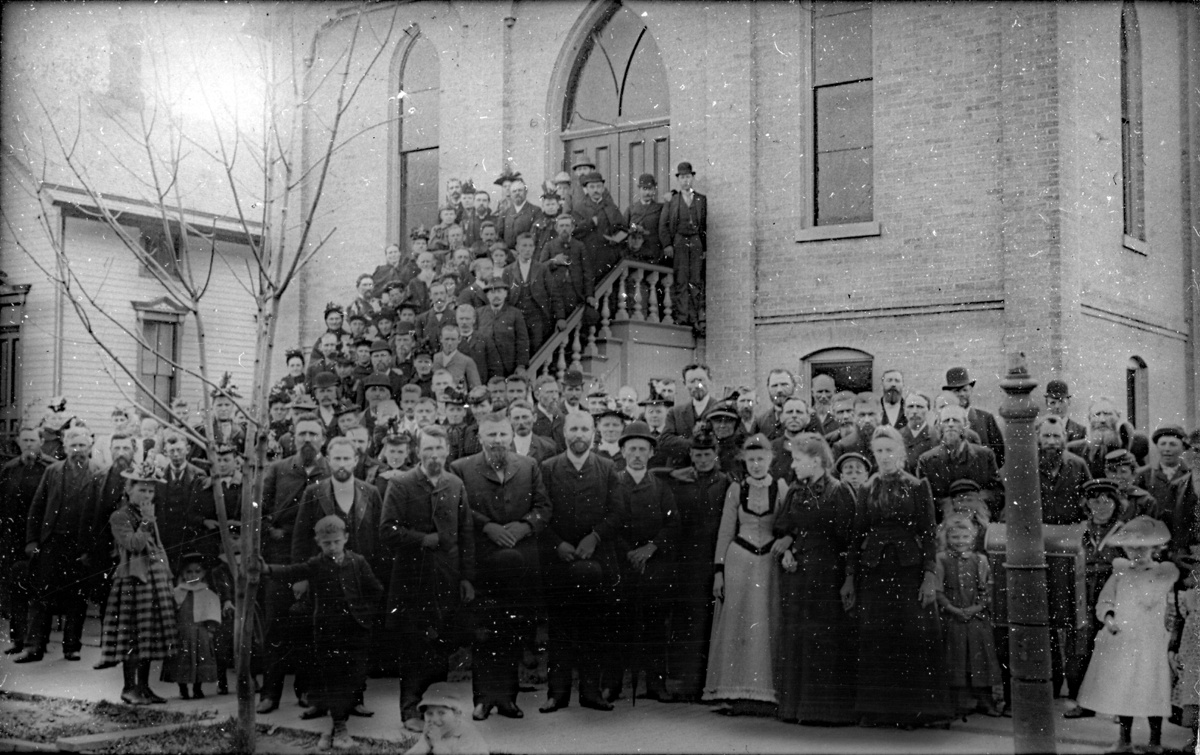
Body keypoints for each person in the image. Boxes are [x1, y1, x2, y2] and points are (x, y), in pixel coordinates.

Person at [848, 425, 952, 727]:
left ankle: (913, 711)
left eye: (889, 450)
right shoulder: (867, 488)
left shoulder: (918, 485)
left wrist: (930, 576)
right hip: (876, 571)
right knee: (877, 639)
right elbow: (857, 535)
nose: (884, 457)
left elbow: (929, 534)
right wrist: (851, 577)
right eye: (879, 451)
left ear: (901, 453)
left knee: (911, 638)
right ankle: (879, 710)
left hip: (909, 570)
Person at [449, 413, 550, 721]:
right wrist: (489, 527)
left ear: (511, 436)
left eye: (502, 435)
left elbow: (543, 508)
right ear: (480, 438)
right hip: (482, 565)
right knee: (485, 631)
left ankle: (507, 699)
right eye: (490, 435)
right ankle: (482, 700)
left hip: (521, 566)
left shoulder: (529, 466)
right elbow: (458, 510)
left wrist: (523, 527)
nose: (497, 441)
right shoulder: (462, 468)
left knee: (513, 629)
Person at [381, 425, 476, 732]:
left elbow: (466, 534)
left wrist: (466, 578)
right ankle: (410, 712)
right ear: (417, 452)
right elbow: (387, 531)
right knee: (412, 647)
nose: (434, 455)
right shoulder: (401, 484)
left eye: (439, 449)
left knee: (440, 646)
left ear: (447, 450)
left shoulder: (455, 484)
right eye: (428, 449)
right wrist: (422, 539)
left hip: (446, 579)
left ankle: (436, 713)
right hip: (412, 579)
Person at [263, 515, 383, 751]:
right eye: (326, 543)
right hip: (328, 631)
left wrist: (364, 615)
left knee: (354, 677)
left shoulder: (357, 562)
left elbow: (376, 590)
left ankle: (338, 718)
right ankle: (339, 728)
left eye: (336, 542)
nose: (332, 547)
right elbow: (292, 571)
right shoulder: (317, 564)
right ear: (318, 542)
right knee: (332, 676)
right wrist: (267, 569)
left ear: (346, 538)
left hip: (356, 631)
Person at [538, 411, 629, 714]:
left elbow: (617, 513)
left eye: (584, 429)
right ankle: (557, 694)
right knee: (560, 628)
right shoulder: (548, 468)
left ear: (594, 433)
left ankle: (591, 691)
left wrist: (595, 538)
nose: (579, 434)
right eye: (573, 429)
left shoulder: (606, 468)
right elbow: (539, 512)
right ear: (564, 433)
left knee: (594, 626)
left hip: (598, 560)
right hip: (559, 560)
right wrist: (556, 544)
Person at [772, 432, 857, 724]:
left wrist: (848, 579)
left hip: (827, 575)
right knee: (798, 638)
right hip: (797, 576)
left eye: (798, 460)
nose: (793, 466)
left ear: (817, 461)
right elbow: (783, 527)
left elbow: (850, 541)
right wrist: (787, 550)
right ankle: (795, 708)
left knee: (825, 639)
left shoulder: (839, 491)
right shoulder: (795, 492)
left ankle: (825, 711)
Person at [1076, 516, 1178, 753]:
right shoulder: (1120, 572)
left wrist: (1170, 630)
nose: (1137, 553)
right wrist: (1109, 618)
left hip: (1151, 638)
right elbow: (1106, 600)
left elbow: (1170, 605)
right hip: (1124, 636)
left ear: (1155, 548)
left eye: (1143, 548)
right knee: (1124, 687)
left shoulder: (1163, 574)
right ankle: (1124, 739)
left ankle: (1155, 741)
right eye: (1131, 548)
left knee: (1152, 685)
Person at [703, 433, 787, 716]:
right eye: (751, 460)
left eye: (761, 459)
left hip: (769, 565)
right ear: (744, 461)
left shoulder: (782, 487)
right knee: (738, 626)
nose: (756, 465)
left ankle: (767, 694)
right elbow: (725, 532)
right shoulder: (736, 490)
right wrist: (718, 572)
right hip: (739, 562)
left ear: (770, 460)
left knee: (766, 624)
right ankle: (734, 692)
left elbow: (788, 525)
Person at [601, 421, 680, 704]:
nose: (636, 454)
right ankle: (612, 684)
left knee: (656, 624)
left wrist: (650, 547)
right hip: (621, 565)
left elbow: (673, 524)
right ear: (622, 451)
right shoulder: (613, 484)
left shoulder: (660, 488)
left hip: (653, 564)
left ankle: (656, 684)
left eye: (642, 449)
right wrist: (627, 553)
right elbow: (608, 522)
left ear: (650, 454)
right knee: (617, 623)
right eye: (631, 448)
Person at [258, 414, 331, 714]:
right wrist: (270, 533)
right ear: (293, 437)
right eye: (302, 434)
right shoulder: (277, 469)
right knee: (276, 625)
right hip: (280, 558)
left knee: (312, 626)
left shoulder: (331, 471)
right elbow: (258, 511)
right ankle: (270, 694)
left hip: (317, 558)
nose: (307, 440)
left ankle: (307, 689)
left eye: (313, 434)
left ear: (323, 439)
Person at [14, 425, 105, 664]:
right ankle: (34, 646)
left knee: (77, 597)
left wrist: (91, 549)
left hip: (80, 546)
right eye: (73, 446)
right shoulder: (53, 472)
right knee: (41, 594)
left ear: (90, 447)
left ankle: (71, 647)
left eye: (82, 446)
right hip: (52, 542)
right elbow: (36, 508)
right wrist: (32, 540)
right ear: (65, 448)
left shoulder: (99, 473)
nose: (78, 451)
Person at [97, 459, 178, 705]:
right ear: (128, 489)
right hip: (133, 580)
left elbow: (158, 546)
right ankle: (128, 687)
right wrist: (145, 521)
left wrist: (167, 574)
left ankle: (144, 687)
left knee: (149, 635)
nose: (146, 494)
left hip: (154, 579)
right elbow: (133, 544)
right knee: (132, 636)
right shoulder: (119, 516)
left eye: (151, 490)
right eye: (141, 489)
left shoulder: (148, 514)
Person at [1062, 479, 1126, 720]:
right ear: (1086, 503)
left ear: (1116, 502)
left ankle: (1117, 705)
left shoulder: (1123, 531)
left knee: (1114, 646)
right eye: (1094, 500)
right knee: (1080, 647)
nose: (1101, 505)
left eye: (1107, 500)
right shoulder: (1078, 530)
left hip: (1112, 592)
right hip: (1082, 593)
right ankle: (1081, 701)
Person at [935, 515, 1002, 718]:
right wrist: (953, 609)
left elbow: (987, 590)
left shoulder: (980, 560)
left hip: (976, 617)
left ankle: (985, 700)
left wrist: (975, 609)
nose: (960, 541)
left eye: (965, 536)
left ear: (972, 537)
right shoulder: (941, 559)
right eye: (955, 537)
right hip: (951, 615)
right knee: (954, 657)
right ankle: (957, 704)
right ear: (947, 538)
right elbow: (938, 590)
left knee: (979, 657)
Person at [1, 426, 51, 656]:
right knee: (16, 589)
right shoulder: (9, 469)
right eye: (25, 440)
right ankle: (18, 639)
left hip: (40, 538)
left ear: (40, 442)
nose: (29, 444)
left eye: (33, 440)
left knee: (39, 589)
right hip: (13, 539)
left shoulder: (49, 468)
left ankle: (37, 642)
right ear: (19, 443)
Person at [162, 552, 221, 699]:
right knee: (181, 659)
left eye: (197, 571)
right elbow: (170, 612)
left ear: (203, 573)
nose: (193, 575)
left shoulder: (207, 593)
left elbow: (212, 613)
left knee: (200, 659)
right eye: (189, 572)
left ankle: (197, 687)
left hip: (200, 632)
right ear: (183, 573)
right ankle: (182, 688)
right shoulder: (176, 592)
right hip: (180, 632)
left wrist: (211, 630)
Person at [659, 161, 707, 328]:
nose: (685, 180)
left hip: (695, 241)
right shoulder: (672, 200)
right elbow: (663, 225)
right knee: (681, 280)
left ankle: (694, 318)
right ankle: (682, 317)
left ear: (692, 178)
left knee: (695, 280)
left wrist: (704, 248)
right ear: (678, 180)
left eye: (688, 177)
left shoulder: (701, 200)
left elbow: (705, 226)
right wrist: (668, 245)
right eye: (682, 177)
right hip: (679, 240)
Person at [942, 367, 1005, 469]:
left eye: (964, 390)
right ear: (949, 394)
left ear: (971, 391)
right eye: (956, 391)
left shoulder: (985, 418)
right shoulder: (942, 421)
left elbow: (1000, 455)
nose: (961, 394)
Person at [404, 681, 490, 755]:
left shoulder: (468, 734)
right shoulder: (431, 731)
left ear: (457, 714)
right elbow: (418, 750)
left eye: (441, 713)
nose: (434, 719)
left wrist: (437, 744)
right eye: (429, 713)